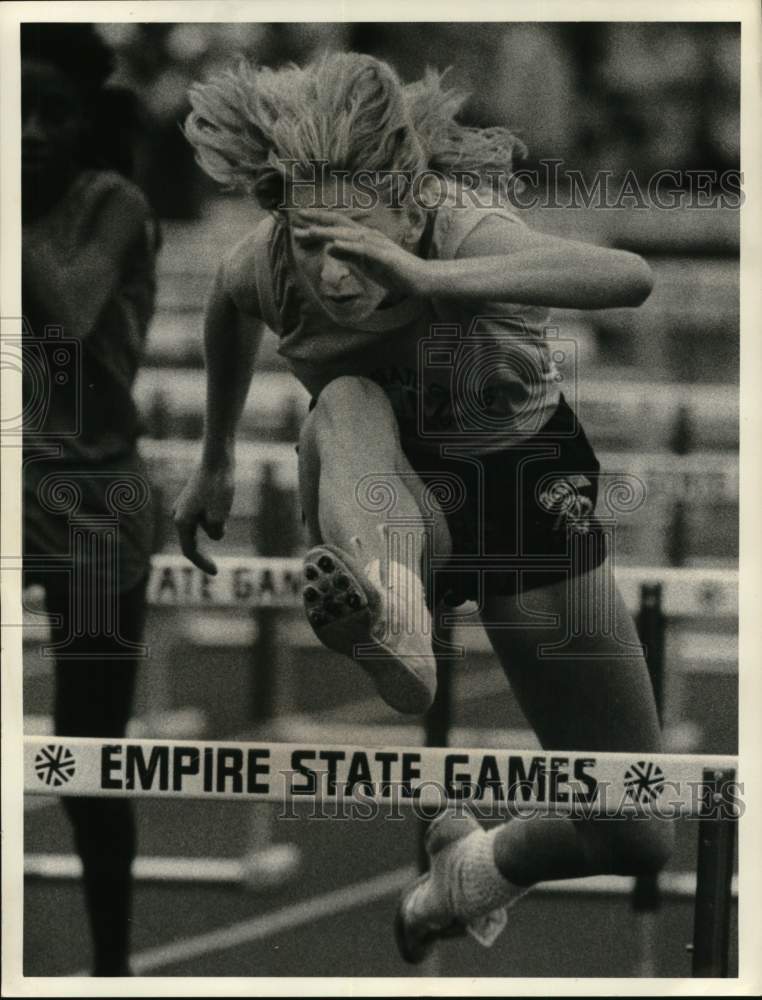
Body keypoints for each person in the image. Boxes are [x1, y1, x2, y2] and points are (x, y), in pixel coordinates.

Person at [174, 52, 673, 962]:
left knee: (638, 830)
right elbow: (223, 308)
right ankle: (390, 615)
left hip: (520, 488)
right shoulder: (273, 257)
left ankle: (473, 866)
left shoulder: (457, 227)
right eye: (317, 245)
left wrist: (428, 280)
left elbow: (629, 274)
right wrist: (212, 461)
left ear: (408, 205)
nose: (333, 275)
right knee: (345, 402)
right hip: (387, 496)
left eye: (357, 243)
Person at [21, 24, 159, 976]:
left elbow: (64, 318)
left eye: (51, 115)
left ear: (83, 122)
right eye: (12, 114)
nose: (29, 133)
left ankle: (111, 967)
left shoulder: (113, 203)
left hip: (98, 504)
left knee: (88, 764)